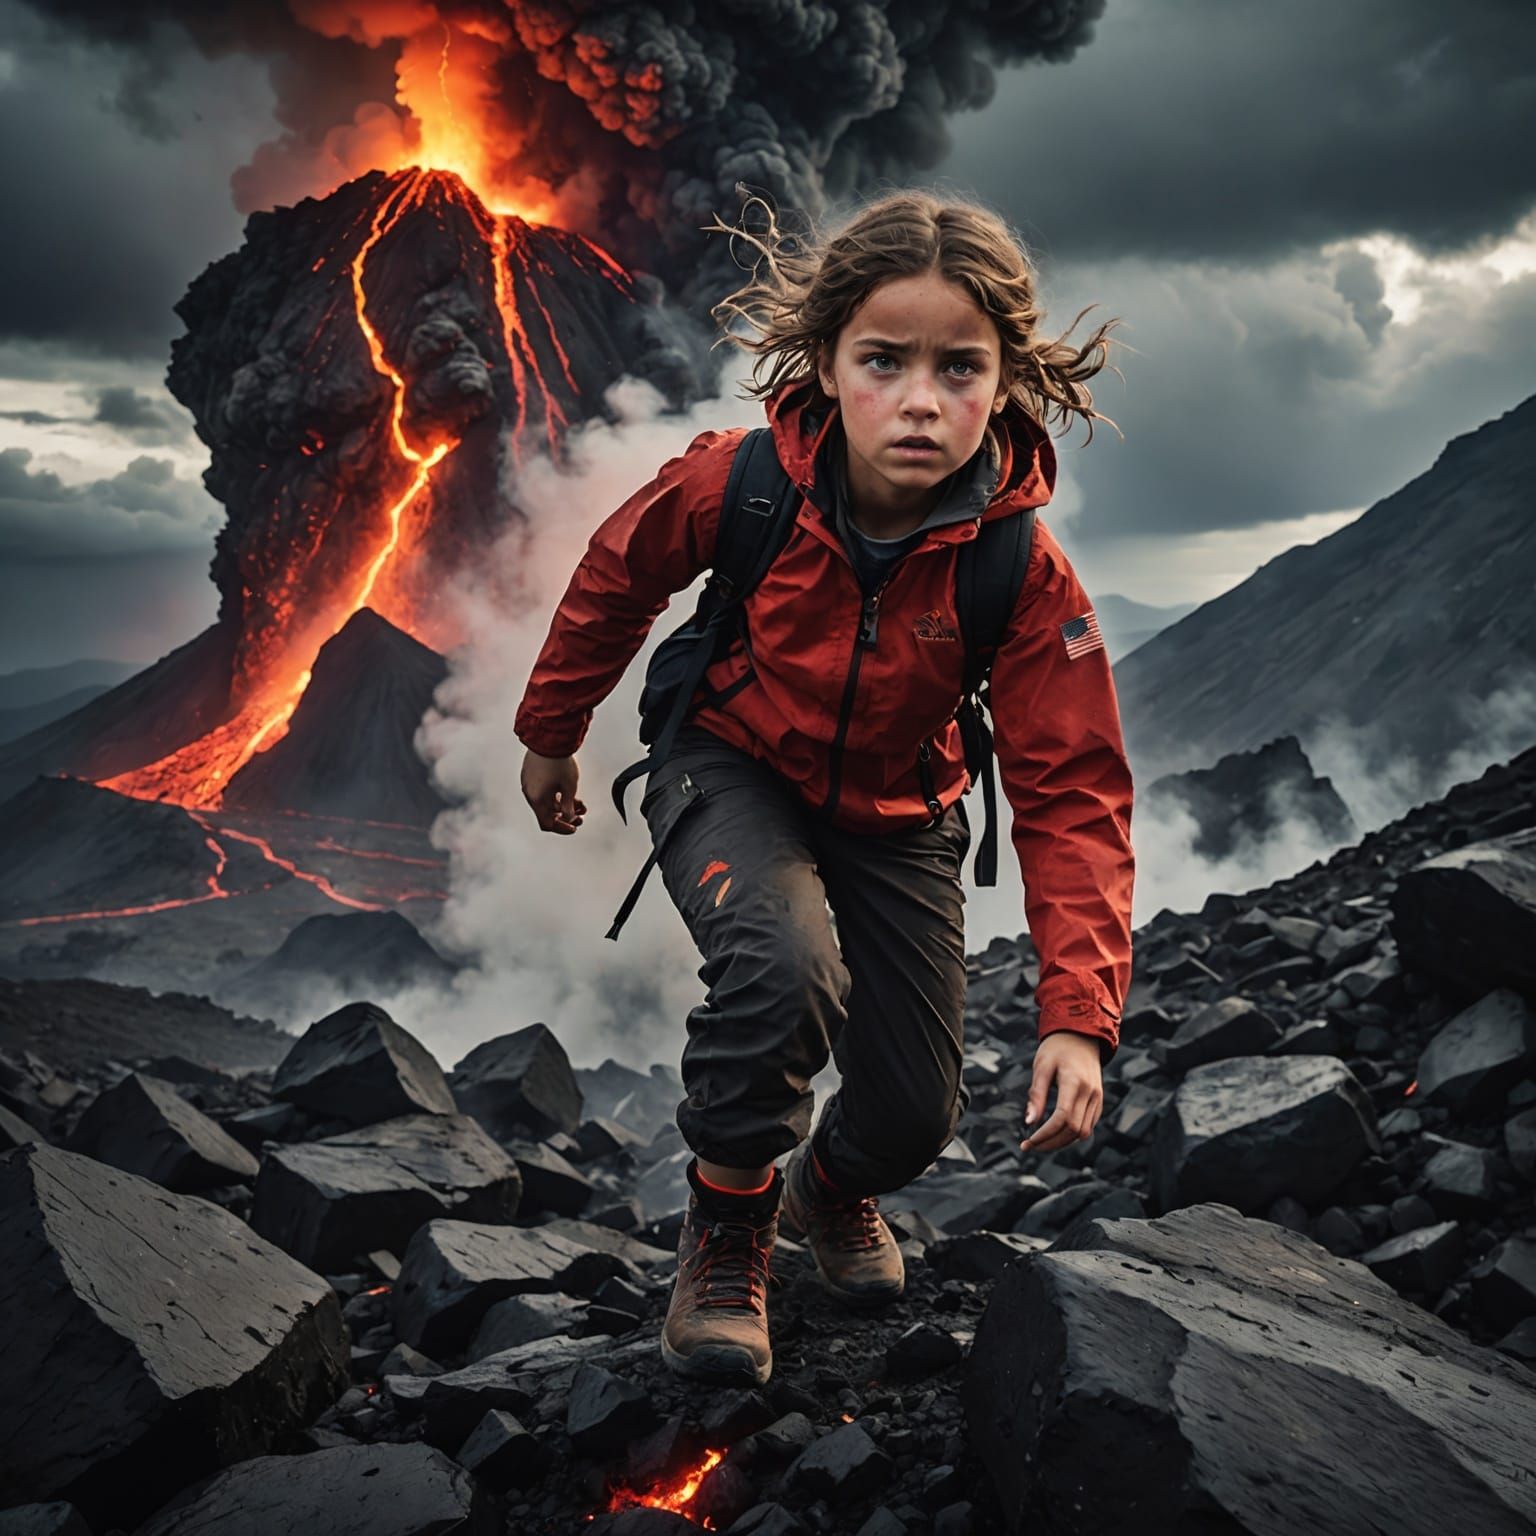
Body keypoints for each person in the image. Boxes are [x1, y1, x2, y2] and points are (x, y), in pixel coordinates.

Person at [514, 188, 1135, 1388]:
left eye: (960, 366)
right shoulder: (743, 483)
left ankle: (828, 1187)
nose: (919, 398)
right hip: (727, 761)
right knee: (783, 964)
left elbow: (1073, 788)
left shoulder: (1021, 568)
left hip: (901, 811)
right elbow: (615, 575)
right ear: (827, 361)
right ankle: (729, 1230)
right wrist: (552, 730)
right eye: (882, 360)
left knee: (913, 1113)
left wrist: (1078, 1015)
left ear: (1006, 379)